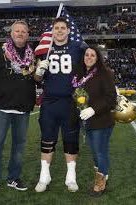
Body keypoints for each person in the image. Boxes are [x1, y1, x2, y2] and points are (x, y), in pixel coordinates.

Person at [0, 20, 36, 200]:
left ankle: (13, 178)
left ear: (27, 35)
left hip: (23, 109)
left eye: (23, 31)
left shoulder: (32, 55)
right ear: (11, 34)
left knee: (19, 148)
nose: (20, 33)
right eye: (17, 31)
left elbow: (36, 79)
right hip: (2, 109)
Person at [34, 17, 85, 193]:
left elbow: (92, 62)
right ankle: (44, 176)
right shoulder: (44, 50)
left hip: (70, 102)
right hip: (49, 102)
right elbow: (37, 78)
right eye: (57, 28)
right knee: (47, 140)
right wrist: (39, 71)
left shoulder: (78, 48)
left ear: (68, 30)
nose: (60, 30)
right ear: (52, 30)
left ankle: (71, 177)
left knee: (71, 140)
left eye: (63, 28)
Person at [73, 46, 117, 197]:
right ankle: (103, 174)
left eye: (92, 55)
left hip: (101, 121)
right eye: (87, 54)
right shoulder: (80, 74)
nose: (89, 57)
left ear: (97, 57)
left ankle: (100, 184)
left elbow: (111, 98)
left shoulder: (105, 73)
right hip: (87, 122)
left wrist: (93, 109)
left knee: (100, 152)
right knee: (95, 153)